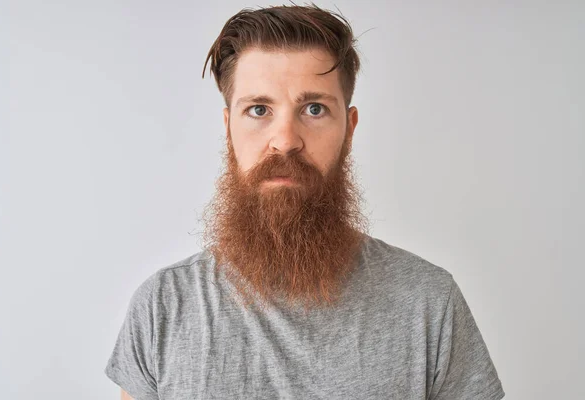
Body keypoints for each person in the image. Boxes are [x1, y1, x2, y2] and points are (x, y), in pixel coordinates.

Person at [104, 4, 505, 399]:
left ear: (349, 129)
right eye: (258, 109)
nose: (286, 140)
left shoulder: (429, 302)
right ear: (229, 129)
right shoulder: (162, 307)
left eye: (314, 109)